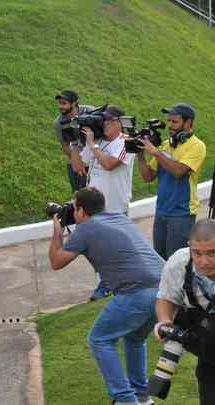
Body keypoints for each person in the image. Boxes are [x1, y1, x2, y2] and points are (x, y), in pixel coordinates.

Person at [49, 187, 164, 405]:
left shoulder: (85, 229)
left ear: (81, 211)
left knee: (99, 339)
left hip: (136, 293)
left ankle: (125, 399)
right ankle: (141, 397)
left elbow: (56, 262)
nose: (73, 213)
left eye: (74, 208)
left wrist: (57, 230)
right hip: (163, 290)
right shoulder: (119, 218)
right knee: (135, 338)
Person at [154, 219, 215, 404]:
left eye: (212, 253)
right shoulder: (179, 263)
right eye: (197, 253)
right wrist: (164, 322)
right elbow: (166, 298)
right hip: (208, 344)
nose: (204, 262)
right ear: (189, 247)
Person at [78, 105, 135, 301]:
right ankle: (105, 281)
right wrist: (77, 142)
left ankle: (112, 283)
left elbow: (109, 164)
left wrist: (93, 144)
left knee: (115, 248)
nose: (104, 124)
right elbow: (79, 164)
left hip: (114, 206)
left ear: (118, 123)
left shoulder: (125, 142)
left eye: (107, 121)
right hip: (94, 208)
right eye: (102, 121)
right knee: (93, 247)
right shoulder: (98, 141)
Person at [137, 102, 206, 260]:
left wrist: (155, 152)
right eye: (169, 121)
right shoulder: (166, 145)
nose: (170, 125)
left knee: (177, 262)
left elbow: (179, 171)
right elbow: (148, 176)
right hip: (161, 210)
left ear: (188, 123)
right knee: (160, 261)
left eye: (174, 122)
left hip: (182, 213)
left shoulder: (197, 146)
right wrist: (140, 154)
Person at [53, 90, 94, 192]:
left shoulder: (90, 111)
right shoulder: (59, 123)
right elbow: (65, 146)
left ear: (74, 103)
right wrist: (77, 162)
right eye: (60, 103)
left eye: (64, 103)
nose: (61, 106)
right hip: (76, 158)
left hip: (94, 158)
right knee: (79, 195)